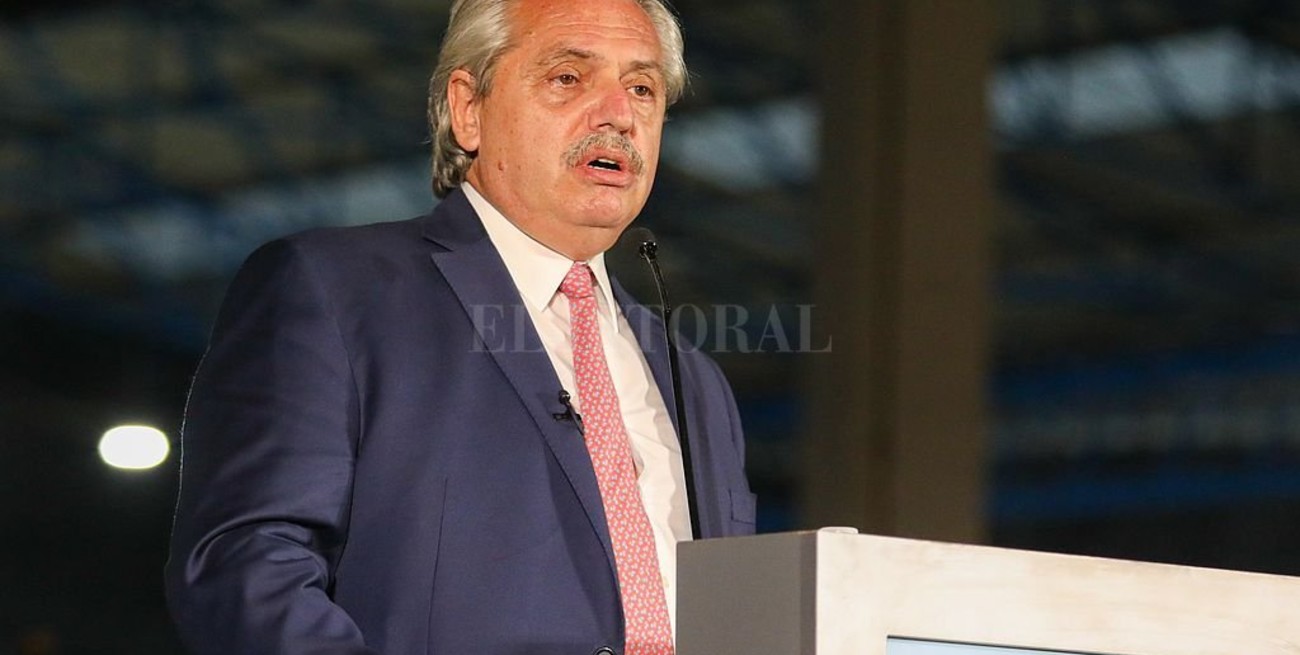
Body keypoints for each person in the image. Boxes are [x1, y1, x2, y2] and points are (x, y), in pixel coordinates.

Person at [163, 0, 756, 653]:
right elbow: (248, 570)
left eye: (642, 88)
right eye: (568, 78)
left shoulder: (695, 380)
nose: (619, 114)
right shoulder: (334, 292)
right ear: (469, 109)